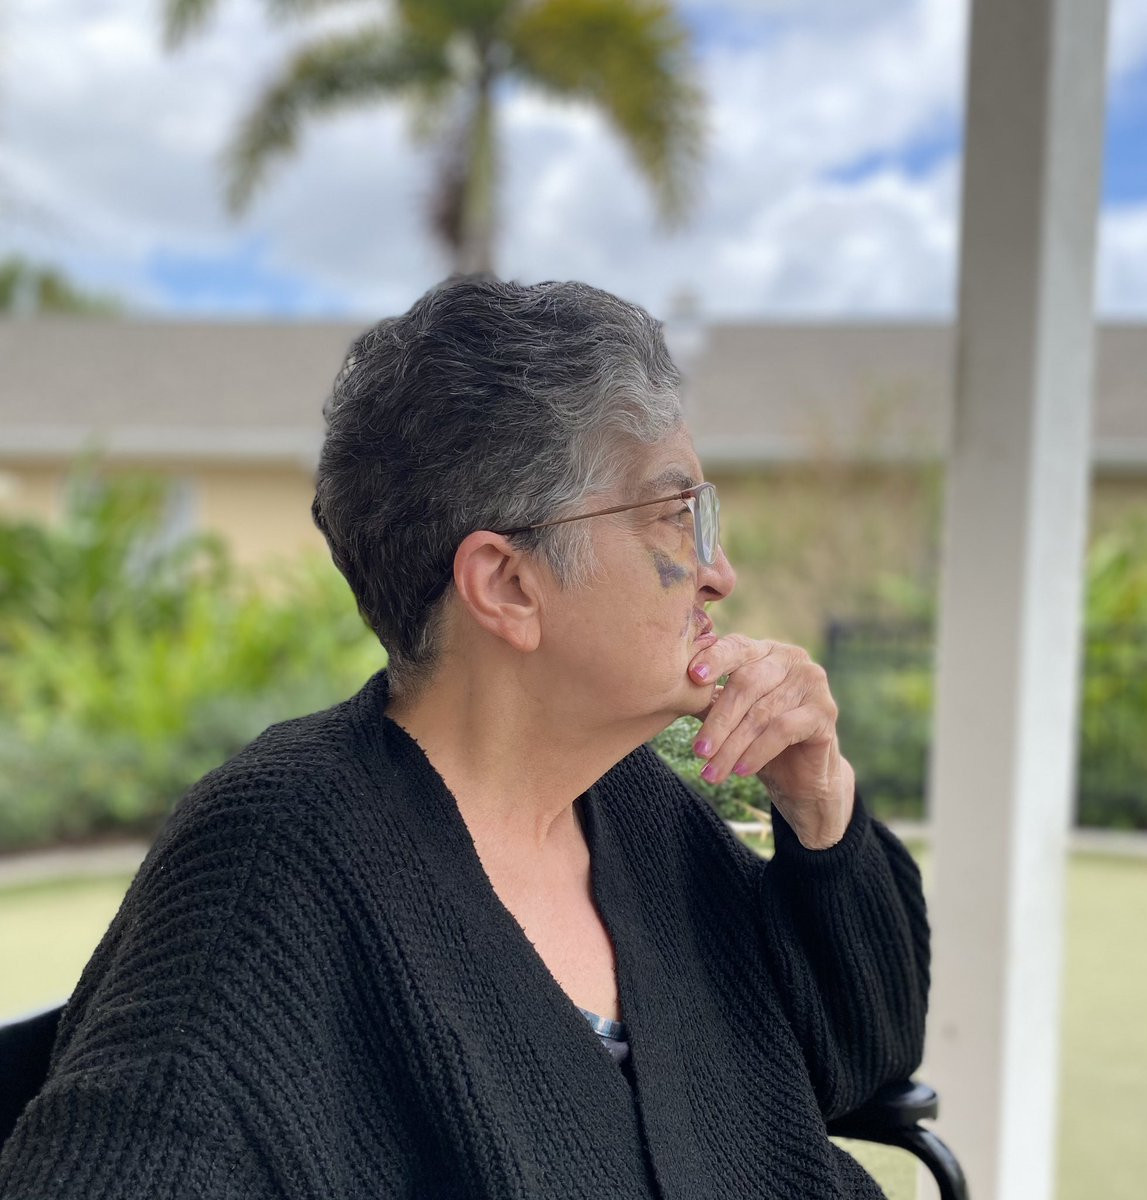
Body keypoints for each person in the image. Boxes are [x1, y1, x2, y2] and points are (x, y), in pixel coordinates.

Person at [0, 278, 929, 1199]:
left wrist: (820, 808)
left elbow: (862, 1055)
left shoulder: (631, 805)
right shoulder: (273, 856)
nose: (718, 573)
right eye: (673, 517)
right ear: (507, 585)